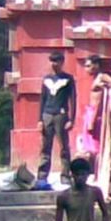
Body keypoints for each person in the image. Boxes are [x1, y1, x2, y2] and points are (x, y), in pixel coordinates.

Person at [80, 55, 111, 198]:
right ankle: (95, 173)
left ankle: (98, 173)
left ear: (96, 65)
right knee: (91, 149)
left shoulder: (103, 77)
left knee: (97, 148)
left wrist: (92, 121)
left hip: (96, 115)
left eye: (89, 65)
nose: (86, 69)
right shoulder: (96, 78)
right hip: (91, 113)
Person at [38, 51, 76, 185]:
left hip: (61, 115)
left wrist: (72, 119)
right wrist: (39, 120)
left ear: (62, 62)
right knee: (45, 146)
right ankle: (42, 175)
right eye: (52, 61)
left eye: (56, 61)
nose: (54, 64)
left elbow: (73, 99)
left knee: (64, 147)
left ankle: (65, 175)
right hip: (47, 114)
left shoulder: (68, 79)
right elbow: (42, 99)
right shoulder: (46, 79)